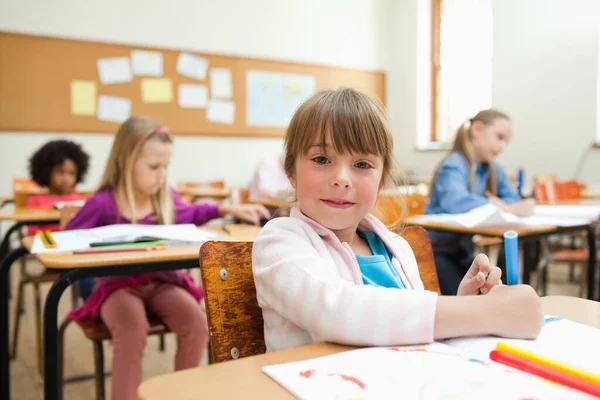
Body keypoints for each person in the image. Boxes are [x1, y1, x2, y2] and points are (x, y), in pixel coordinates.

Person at [252, 89, 543, 353]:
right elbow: (338, 311)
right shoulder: (279, 241)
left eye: (362, 165)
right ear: (290, 171)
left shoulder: (396, 247)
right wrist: (485, 313)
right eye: (321, 159)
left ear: (381, 180)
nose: (341, 179)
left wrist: (466, 303)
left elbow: (406, 330)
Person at [65, 116, 270, 400]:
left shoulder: (165, 198)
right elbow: (66, 239)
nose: (161, 175)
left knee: (197, 324)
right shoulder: (103, 203)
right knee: (132, 328)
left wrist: (226, 210)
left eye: (165, 166)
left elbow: (193, 214)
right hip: (117, 289)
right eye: (153, 167)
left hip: (164, 283)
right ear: (125, 161)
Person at [425, 109, 535, 295]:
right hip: (435, 252)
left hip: (463, 251)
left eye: (506, 141)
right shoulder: (454, 164)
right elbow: (455, 201)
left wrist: (507, 205)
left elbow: (513, 198)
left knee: (487, 293)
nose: (502, 146)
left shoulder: (492, 169)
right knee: (468, 302)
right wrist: (502, 206)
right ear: (477, 129)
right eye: (499, 137)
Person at [26, 139, 90, 234]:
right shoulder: (35, 201)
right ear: (46, 172)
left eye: (71, 173)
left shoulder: (81, 201)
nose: (66, 178)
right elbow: (32, 231)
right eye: (60, 172)